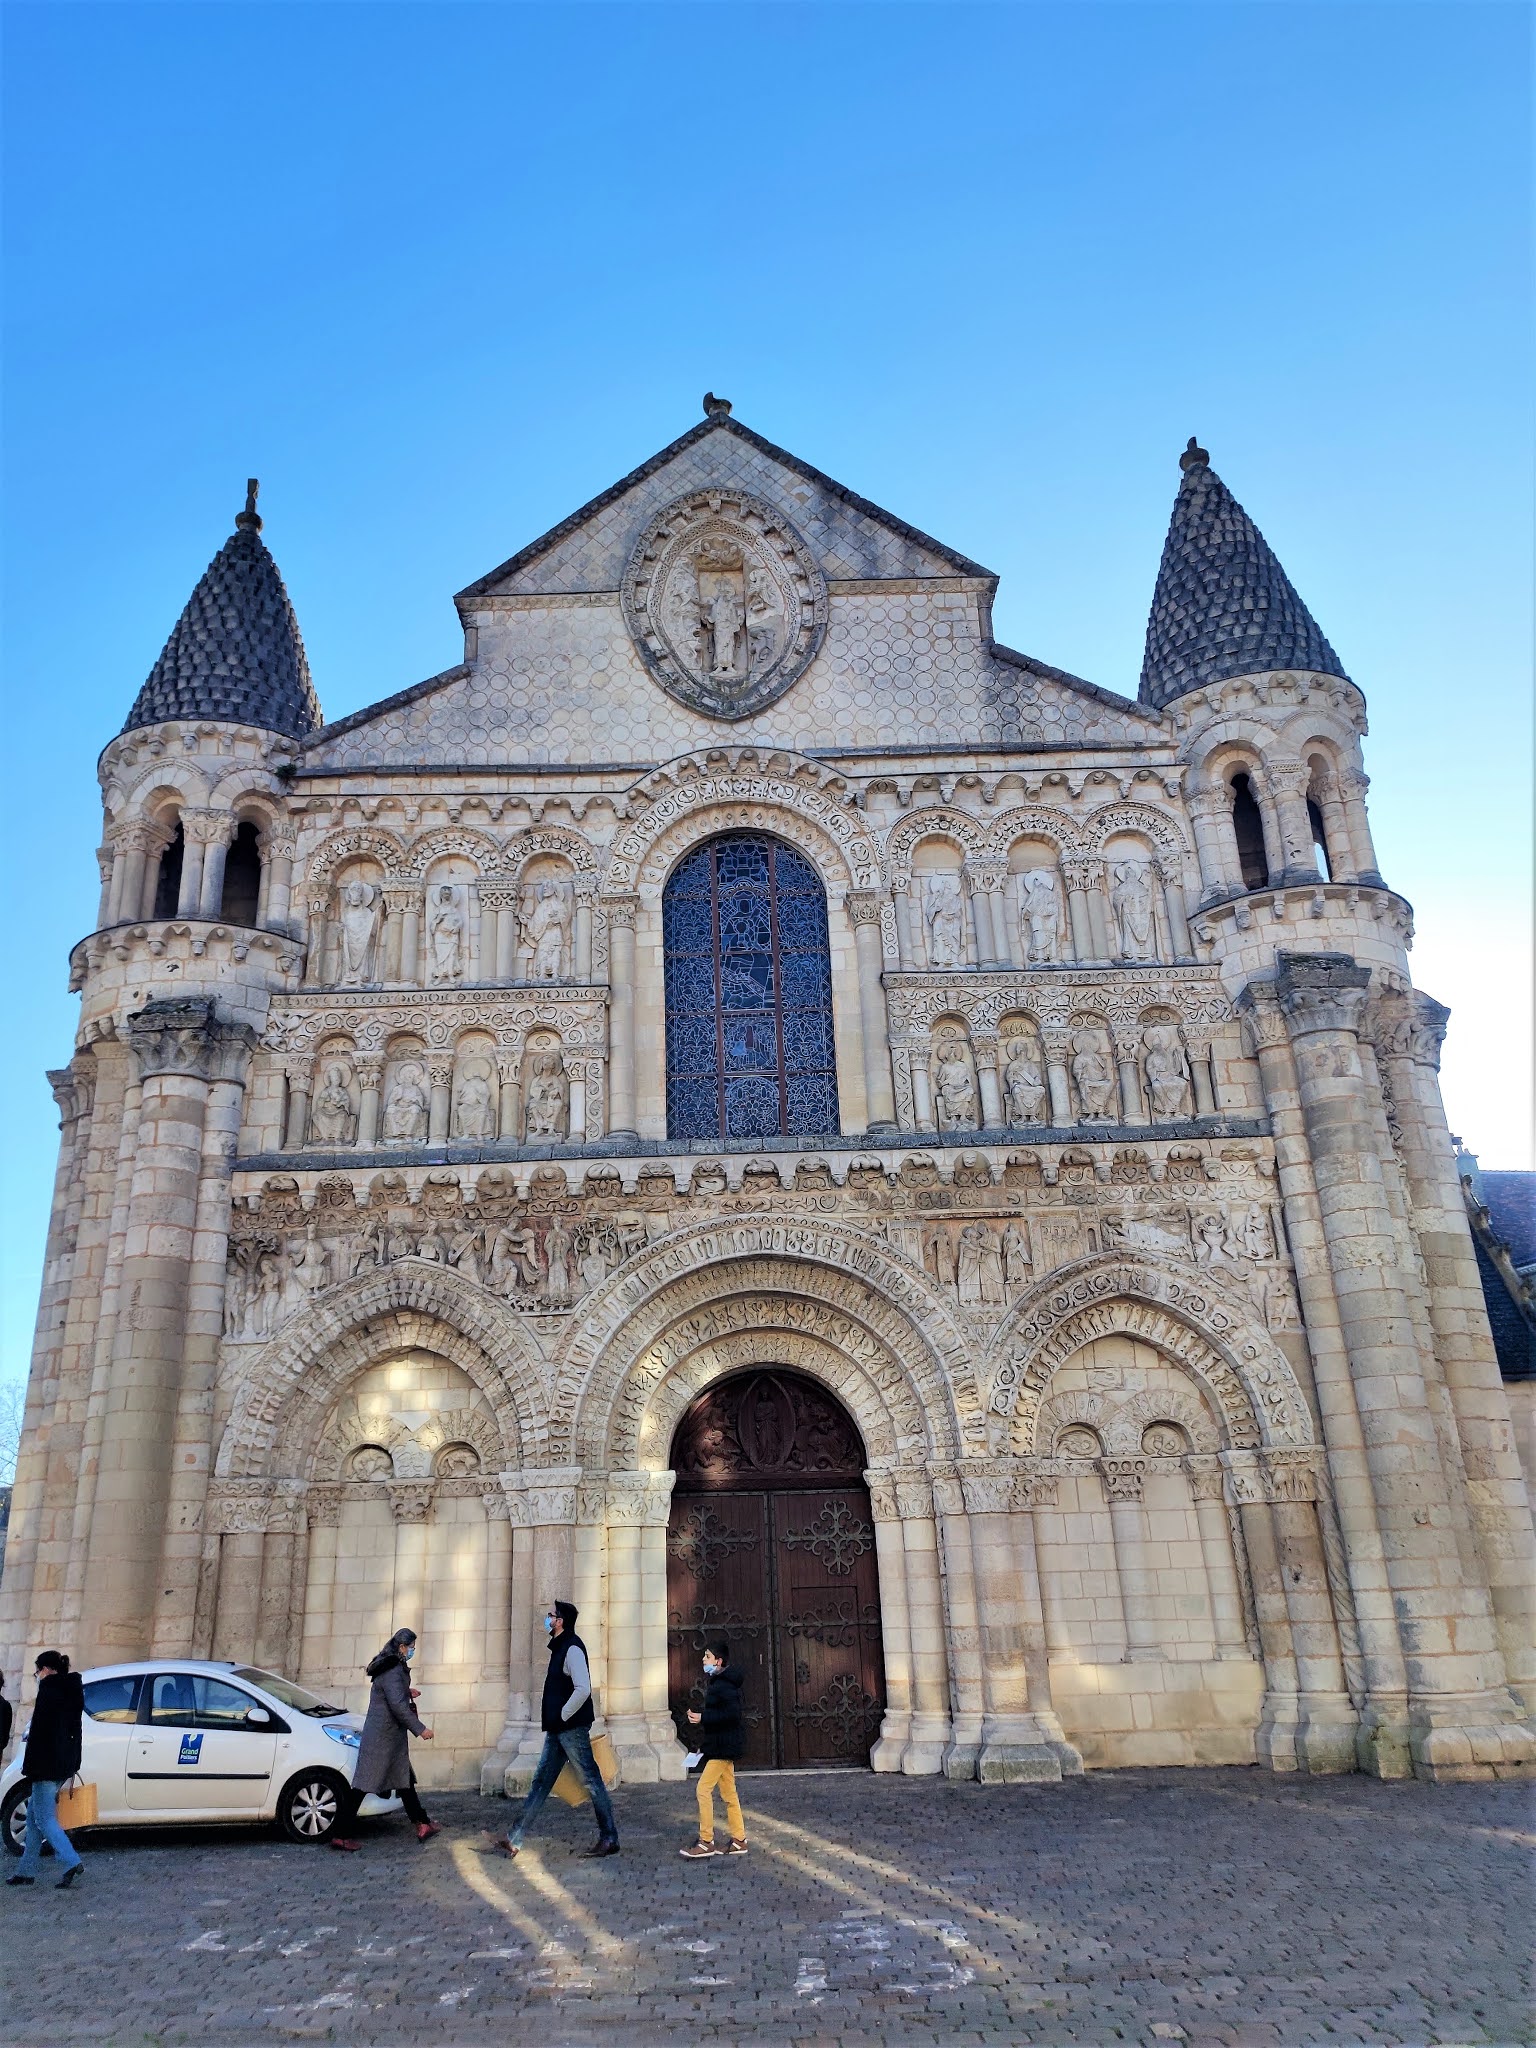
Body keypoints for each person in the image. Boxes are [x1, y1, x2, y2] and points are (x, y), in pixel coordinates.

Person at [487, 1601, 618, 1860]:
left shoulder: (572, 1648)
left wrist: (563, 1714)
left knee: (592, 1780)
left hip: (570, 1728)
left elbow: (583, 1688)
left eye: (551, 1615)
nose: (547, 1619)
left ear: (560, 1621)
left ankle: (609, 1837)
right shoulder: (560, 1646)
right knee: (541, 1782)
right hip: (559, 1729)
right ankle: (514, 1838)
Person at [329, 1629, 440, 1853]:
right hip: (383, 1738)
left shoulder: (389, 1664)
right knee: (362, 1786)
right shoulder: (393, 1669)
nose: (413, 1651)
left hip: (388, 1737)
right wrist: (420, 1729)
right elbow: (397, 1706)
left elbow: (390, 1693)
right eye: (411, 1647)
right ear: (402, 1647)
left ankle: (422, 1823)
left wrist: (406, 1691)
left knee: (405, 1781)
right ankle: (340, 1834)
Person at [7, 1650, 85, 1889]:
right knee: (33, 1819)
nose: (37, 1675)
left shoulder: (49, 1691)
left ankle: (71, 1861)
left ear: (47, 1669)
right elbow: (75, 1731)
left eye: (37, 1671)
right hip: (62, 1765)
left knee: (43, 1818)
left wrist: (31, 1767)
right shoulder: (72, 1690)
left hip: (45, 1767)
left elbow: (39, 1736)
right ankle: (26, 1871)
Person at [680, 1641, 747, 1859]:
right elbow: (721, 1719)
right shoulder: (719, 1682)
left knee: (703, 1789)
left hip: (723, 1748)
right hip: (721, 1745)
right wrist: (704, 1741)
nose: (703, 1659)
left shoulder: (724, 1685)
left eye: (707, 1656)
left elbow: (732, 1715)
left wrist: (703, 1717)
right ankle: (739, 1839)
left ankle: (706, 1841)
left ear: (718, 1661)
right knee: (729, 1793)